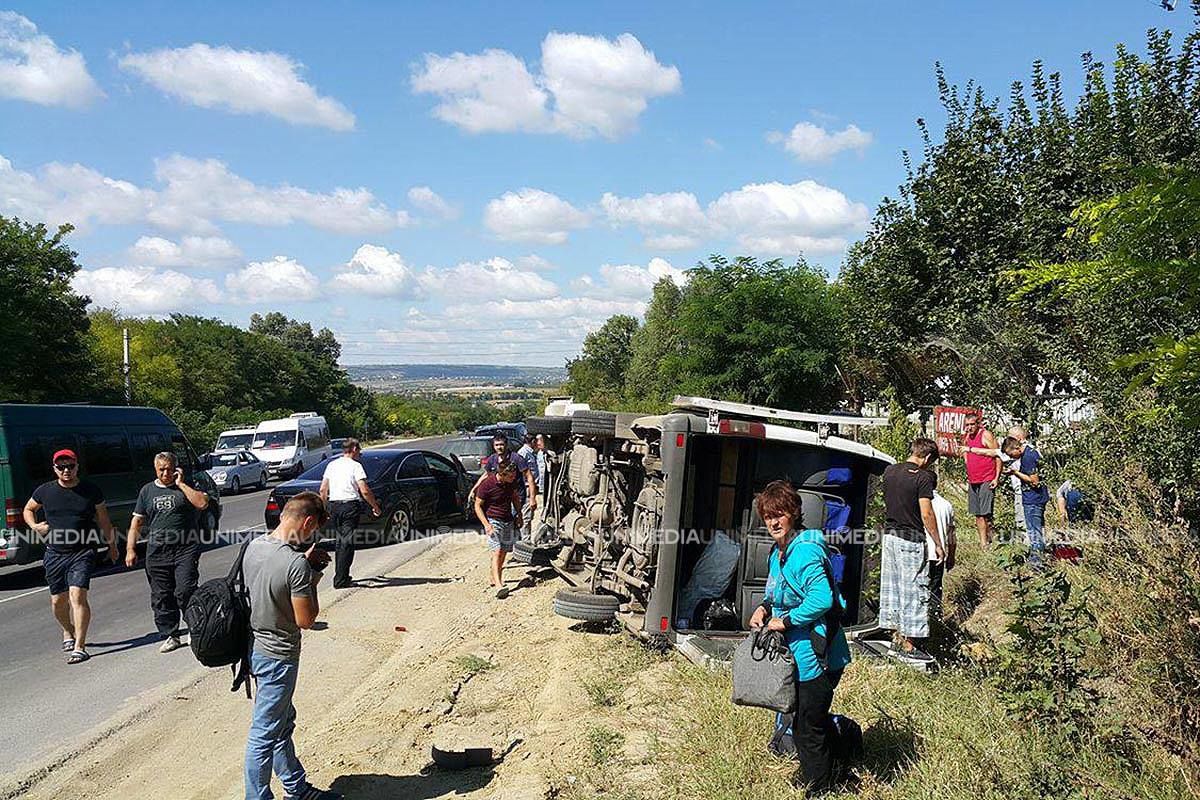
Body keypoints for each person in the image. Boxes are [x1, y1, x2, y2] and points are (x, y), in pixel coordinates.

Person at [748, 480, 851, 792]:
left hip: (817, 656)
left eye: (780, 514)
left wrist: (787, 621)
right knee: (811, 719)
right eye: (768, 516)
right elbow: (778, 593)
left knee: (807, 726)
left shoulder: (804, 552)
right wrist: (764, 610)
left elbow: (822, 599)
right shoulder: (779, 552)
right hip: (798, 654)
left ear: (793, 514)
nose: (774, 522)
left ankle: (819, 787)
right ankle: (841, 769)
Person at [242, 491, 341, 800]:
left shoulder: (254, 546)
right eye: (314, 529)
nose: (313, 535)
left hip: (254, 648)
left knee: (281, 723)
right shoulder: (295, 563)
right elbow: (306, 619)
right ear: (308, 522)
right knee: (264, 735)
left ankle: (296, 788)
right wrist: (311, 576)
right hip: (279, 655)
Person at [23, 448, 117, 665]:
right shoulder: (45, 491)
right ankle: (68, 631)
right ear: (54, 469)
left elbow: (103, 519)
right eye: (61, 467)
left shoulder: (90, 490)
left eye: (70, 466)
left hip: (83, 552)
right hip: (55, 553)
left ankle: (80, 647)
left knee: (77, 596)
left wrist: (112, 545)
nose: (66, 470)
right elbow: (28, 509)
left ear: (77, 466)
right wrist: (35, 526)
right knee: (58, 602)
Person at [126, 451, 210, 653]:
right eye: (162, 469)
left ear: (176, 468)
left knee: (185, 590)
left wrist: (181, 484)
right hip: (157, 552)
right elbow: (137, 522)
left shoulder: (186, 487)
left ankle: (194, 627)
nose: (166, 473)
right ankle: (171, 634)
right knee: (162, 595)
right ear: (155, 469)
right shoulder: (147, 491)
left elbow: (203, 503)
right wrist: (130, 548)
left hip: (185, 549)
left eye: (169, 469)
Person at [878, 437, 944, 662]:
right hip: (910, 539)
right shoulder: (923, 477)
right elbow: (926, 513)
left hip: (889, 536)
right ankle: (910, 645)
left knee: (893, 588)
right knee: (914, 590)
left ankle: (894, 638)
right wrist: (938, 542)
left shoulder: (889, 471)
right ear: (926, 457)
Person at [318, 438, 381, 589]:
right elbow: (364, 490)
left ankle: (341, 576)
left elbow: (322, 490)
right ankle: (341, 579)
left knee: (340, 541)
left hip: (335, 505)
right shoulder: (355, 466)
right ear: (353, 449)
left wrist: (323, 509)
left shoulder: (332, 465)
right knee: (347, 542)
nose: (360, 453)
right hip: (350, 506)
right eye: (359, 450)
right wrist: (375, 506)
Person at [474, 461, 523, 599]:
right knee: (497, 551)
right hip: (493, 520)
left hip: (508, 520)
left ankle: (494, 577)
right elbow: (477, 505)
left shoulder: (510, 483)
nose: (514, 478)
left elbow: (515, 498)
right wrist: (486, 524)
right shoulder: (487, 485)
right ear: (502, 474)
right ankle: (499, 585)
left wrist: (519, 515)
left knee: (503, 552)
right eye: (511, 476)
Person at [957, 412, 1000, 548]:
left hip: (987, 478)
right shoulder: (966, 438)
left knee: (986, 513)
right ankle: (983, 543)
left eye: (972, 424)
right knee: (977, 513)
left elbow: (998, 455)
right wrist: (967, 461)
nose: (969, 428)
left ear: (978, 424)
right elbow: (964, 452)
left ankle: (992, 539)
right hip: (973, 480)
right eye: (967, 425)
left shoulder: (986, 435)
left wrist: (996, 477)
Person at [1002, 436, 1050, 560]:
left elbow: (1034, 482)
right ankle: (1040, 558)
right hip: (1038, 498)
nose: (1011, 457)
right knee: (1038, 530)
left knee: (1034, 533)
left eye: (1011, 454)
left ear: (1017, 447)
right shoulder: (1031, 452)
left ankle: (1036, 563)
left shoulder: (1028, 457)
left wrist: (1015, 473)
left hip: (1033, 500)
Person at [471, 434, 537, 522]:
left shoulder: (516, 458)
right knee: (505, 523)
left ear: (506, 445)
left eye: (501, 444)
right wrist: (474, 489)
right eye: (496, 445)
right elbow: (486, 475)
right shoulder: (492, 459)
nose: (499, 447)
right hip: (501, 497)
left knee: (520, 522)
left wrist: (532, 498)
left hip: (517, 496)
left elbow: (529, 476)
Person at [928, 490, 957, 620]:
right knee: (935, 590)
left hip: (921, 554)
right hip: (938, 557)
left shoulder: (919, 502)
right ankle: (935, 622)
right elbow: (952, 534)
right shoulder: (946, 505)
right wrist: (951, 556)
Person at [517, 434, 539, 538]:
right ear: (533, 441)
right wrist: (532, 497)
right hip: (526, 488)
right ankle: (524, 541)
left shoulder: (530, 452)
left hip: (531, 487)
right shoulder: (523, 453)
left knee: (529, 516)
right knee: (526, 517)